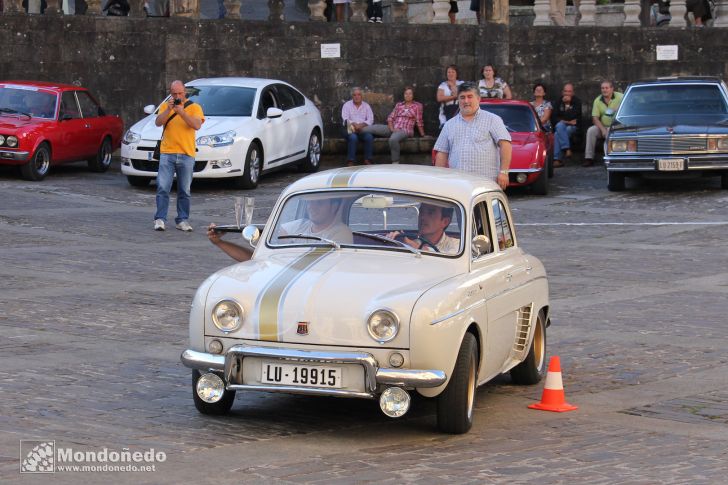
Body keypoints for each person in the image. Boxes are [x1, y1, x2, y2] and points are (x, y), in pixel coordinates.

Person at [434, 83, 513, 190]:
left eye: (470, 97)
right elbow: (442, 154)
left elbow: (505, 144)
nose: (466, 101)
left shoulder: (493, 120)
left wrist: (504, 172)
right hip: (458, 184)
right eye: (462, 97)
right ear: (458, 100)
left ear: (478, 99)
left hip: (487, 184)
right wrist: (438, 180)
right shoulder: (449, 125)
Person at [153, 80, 204, 232]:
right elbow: (158, 122)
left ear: (185, 92)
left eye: (179, 93)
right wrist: (169, 109)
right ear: (170, 93)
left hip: (186, 153)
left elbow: (196, 125)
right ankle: (160, 219)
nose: (177, 96)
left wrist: (181, 111)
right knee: (163, 187)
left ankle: (182, 220)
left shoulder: (194, 107)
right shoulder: (165, 106)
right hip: (167, 153)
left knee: (184, 190)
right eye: (174, 94)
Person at [362, 86, 425, 164]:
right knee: (369, 129)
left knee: (393, 139)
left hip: (404, 130)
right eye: (406, 94)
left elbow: (419, 121)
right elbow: (390, 118)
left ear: (413, 95)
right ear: (404, 95)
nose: (408, 95)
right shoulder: (399, 105)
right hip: (393, 128)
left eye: (410, 94)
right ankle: (352, 131)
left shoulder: (417, 106)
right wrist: (392, 129)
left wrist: (423, 135)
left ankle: (395, 162)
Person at [386, 203, 459, 254]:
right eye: (421, 212)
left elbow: (447, 262)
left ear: (445, 222)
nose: (423, 217)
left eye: (430, 213)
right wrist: (393, 240)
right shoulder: (411, 242)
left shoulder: (456, 245)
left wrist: (411, 245)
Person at [583, 80, 623, 167]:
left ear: (612, 89)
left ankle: (609, 158)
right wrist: (602, 129)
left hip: (617, 126)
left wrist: (618, 109)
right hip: (602, 126)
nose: (604, 90)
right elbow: (595, 118)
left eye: (606, 88)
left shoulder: (621, 97)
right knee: (591, 130)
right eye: (602, 88)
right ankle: (589, 158)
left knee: (609, 132)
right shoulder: (598, 100)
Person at [341, 87, 374, 166]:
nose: (357, 96)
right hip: (349, 129)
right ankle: (351, 161)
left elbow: (371, 119)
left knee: (369, 137)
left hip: (362, 129)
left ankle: (367, 159)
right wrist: (354, 124)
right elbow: (345, 118)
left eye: (359, 95)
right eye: (354, 95)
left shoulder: (366, 106)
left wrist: (361, 125)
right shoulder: (347, 105)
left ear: (361, 96)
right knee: (353, 137)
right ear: (352, 96)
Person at [552, 83, 582, 167]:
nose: (567, 93)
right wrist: (567, 122)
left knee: (558, 133)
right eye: (565, 91)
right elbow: (554, 118)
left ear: (573, 93)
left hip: (574, 128)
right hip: (563, 126)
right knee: (559, 127)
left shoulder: (577, 102)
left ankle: (557, 159)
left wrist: (568, 104)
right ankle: (567, 149)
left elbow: (573, 117)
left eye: (569, 91)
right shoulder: (558, 101)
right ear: (562, 92)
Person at [436, 64, 463, 129]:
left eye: (453, 72)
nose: (450, 74)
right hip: (447, 110)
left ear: (457, 73)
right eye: (449, 72)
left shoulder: (462, 84)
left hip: (459, 109)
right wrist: (454, 96)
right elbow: (439, 98)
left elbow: (462, 95)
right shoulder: (443, 85)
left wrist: (453, 86)